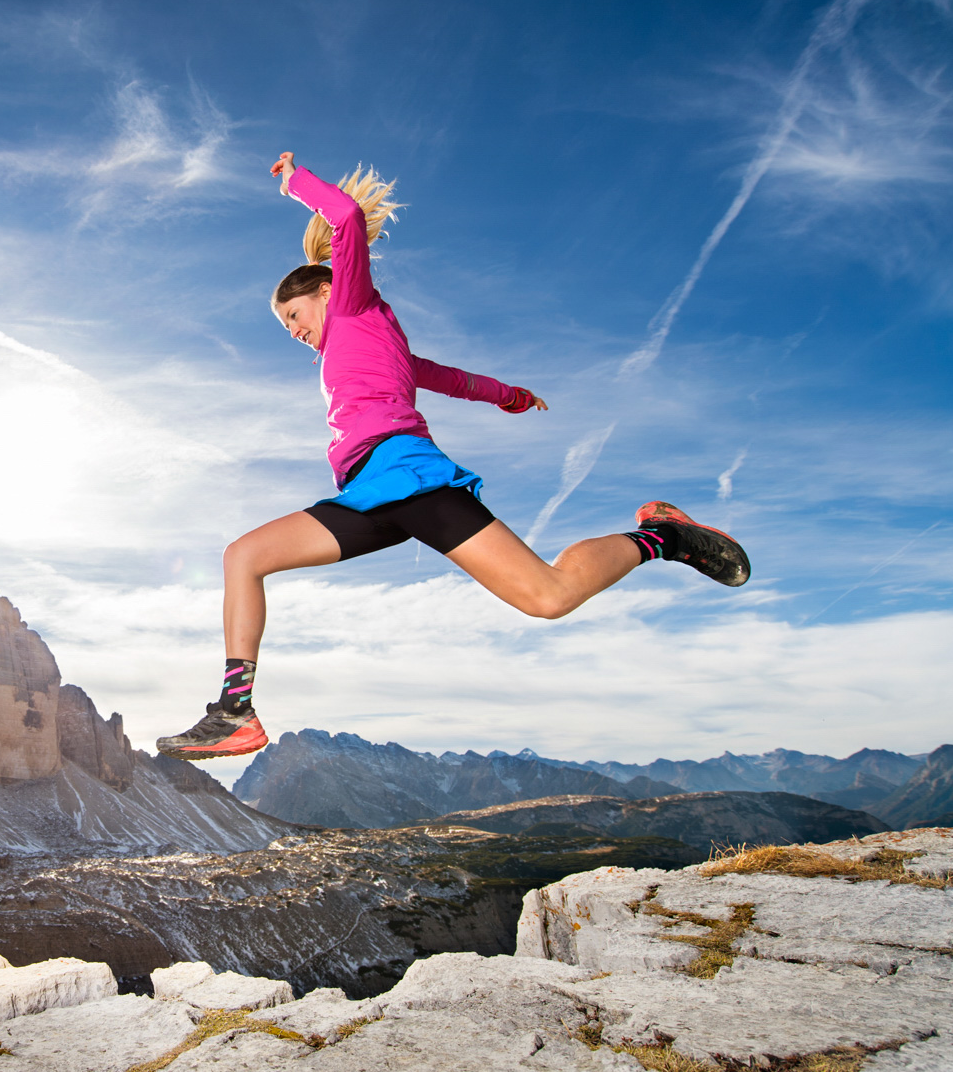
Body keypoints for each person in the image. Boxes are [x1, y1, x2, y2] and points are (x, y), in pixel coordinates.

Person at [157, 152, 750, 761]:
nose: (292, 330)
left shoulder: (355, 309)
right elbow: (444, 377)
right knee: (243, 557)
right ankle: (236, 712)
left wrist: (294, 182)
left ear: (328, 292)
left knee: (548, 596)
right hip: (369, 496)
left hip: (411, 480)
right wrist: (510, 396)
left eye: (293, 315)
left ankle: (666, 538)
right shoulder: (367, 349)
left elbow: (348, 219)